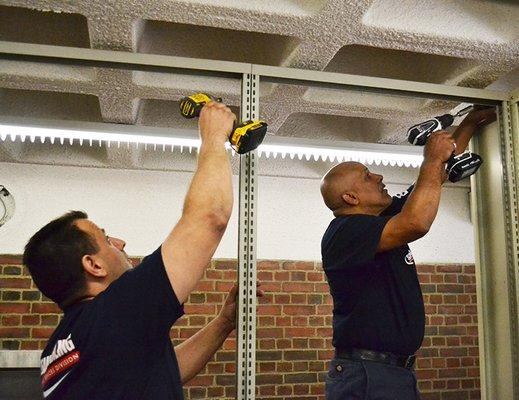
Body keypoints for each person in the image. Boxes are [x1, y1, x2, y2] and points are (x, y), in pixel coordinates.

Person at [23, 101, 247, 399]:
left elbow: (165, 371)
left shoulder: (63, 345)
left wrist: (223, 323)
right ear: (94, 265)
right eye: (105, 238)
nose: (120, 243)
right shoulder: (115, 311)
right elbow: (210, 216)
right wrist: (214, 136)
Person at [319, 108, 496, 400]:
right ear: (351, 198)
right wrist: (431, 157)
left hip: (392, 372)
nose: (378, 175)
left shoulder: (378, 220)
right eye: (367, 176)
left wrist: (472, 122)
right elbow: (417, 222)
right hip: (368, 375)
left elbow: (432, 180)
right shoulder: (346, 232)